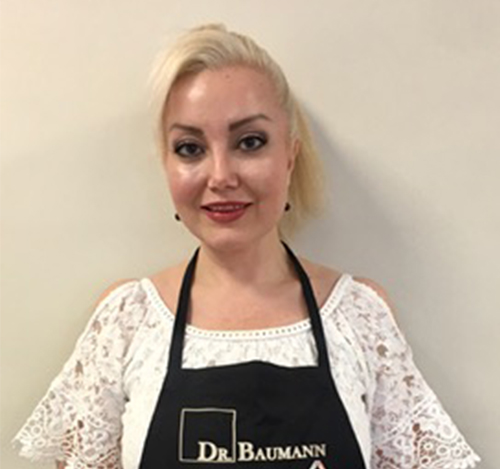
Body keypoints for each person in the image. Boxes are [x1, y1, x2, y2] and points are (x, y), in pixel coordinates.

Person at [13, 24, 480, 469]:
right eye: (190, 148)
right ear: (167, 166)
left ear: (290, 157)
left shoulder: (360, 316)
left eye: (250, 142)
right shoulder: (126, 322)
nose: (220, 176)